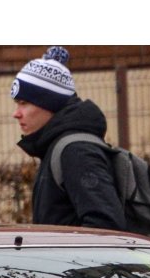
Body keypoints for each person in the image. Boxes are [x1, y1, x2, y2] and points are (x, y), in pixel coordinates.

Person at [11, 46, 125, 231]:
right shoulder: (56, 148)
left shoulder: (76, 151)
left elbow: (106, 229)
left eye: (24, 103)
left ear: (49, 104)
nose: (16, 114)